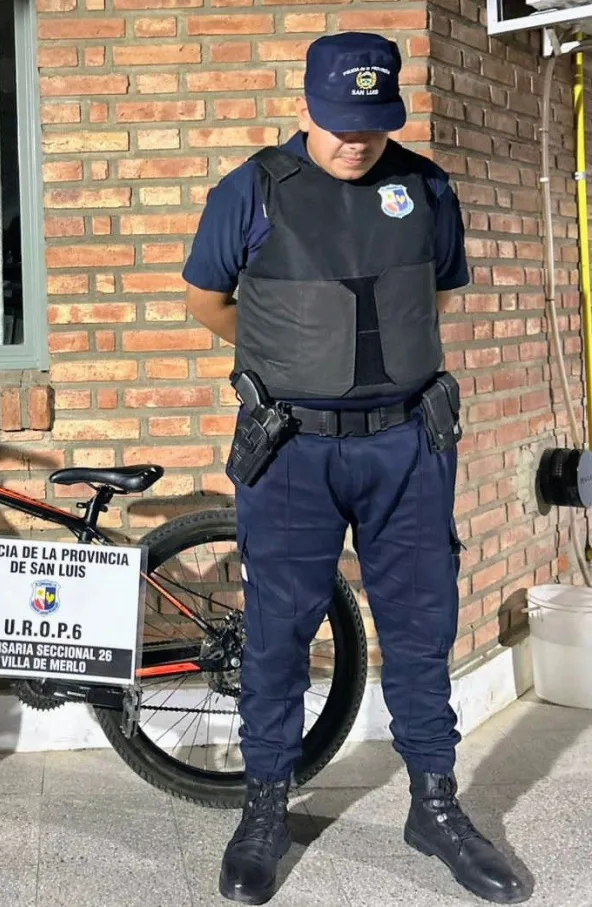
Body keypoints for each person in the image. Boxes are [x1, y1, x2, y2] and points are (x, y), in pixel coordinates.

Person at [182, 31, 529, 907]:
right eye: (340, 122)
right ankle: (267, 803)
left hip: (406, 446)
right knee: (278, 631)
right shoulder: (251, 189)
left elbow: (434, 293)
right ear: (306, 106)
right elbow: (206, 299)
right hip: (291, 449)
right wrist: (289, 357)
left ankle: (435, 804)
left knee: (420, 626)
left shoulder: (426, 187)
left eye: (372, 123)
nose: (356, 140)